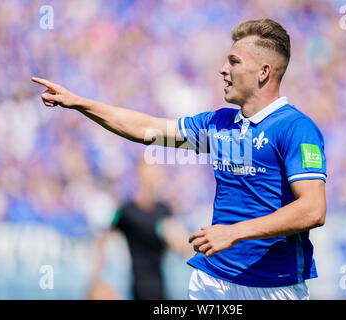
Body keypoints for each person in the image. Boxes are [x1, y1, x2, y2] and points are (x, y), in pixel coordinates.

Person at [32, 18, 327, 300]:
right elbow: (147, 129)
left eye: (234, 62)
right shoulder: (219, 123)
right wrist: (81, 103)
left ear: (264, 72)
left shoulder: (295, 128)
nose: (223, 69)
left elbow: (313, 209)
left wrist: (235, 233)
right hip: (214, 279)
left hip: (273, 283)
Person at [88, 158, 193, 300]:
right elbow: (103, 240)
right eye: (150, 169)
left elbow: (182, 244)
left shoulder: (164, 211)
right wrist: (97, 278)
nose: (154, 174)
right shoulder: (127, 211)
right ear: (139, 173)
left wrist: (181, 244)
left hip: (162, 285)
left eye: (156, 170)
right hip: (137, 285)